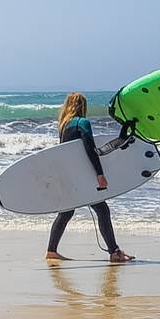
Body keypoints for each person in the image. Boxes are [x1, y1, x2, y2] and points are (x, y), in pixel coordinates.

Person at [46, 92, 133, 263]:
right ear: (82, 106)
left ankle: (51, 251)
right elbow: (90, 149)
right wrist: (99, 174)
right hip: (82, 177)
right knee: (102, 210)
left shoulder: (64, 126)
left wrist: (121, 138)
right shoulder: (82, 123)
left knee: (66, 212)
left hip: (69, 176)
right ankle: (114, 252)